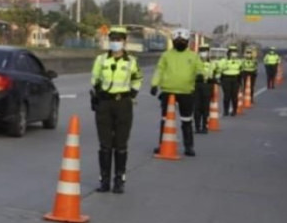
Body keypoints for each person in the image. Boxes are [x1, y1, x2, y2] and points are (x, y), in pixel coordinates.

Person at [90, 26, 142, 193]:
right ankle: (104, 180)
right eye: (112, 39)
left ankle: (119, 180)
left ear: (124, 41)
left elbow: (137, 78)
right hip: (104, 103)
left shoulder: (131, 61)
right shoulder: (101, 60)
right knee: (104, 144)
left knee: (121, 144)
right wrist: (98, 92)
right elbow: (95, 78)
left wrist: (132, 93)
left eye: (118, 39)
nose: (115, 43)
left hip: (123, 104)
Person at [150, 28, 203, 156]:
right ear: (173, 41)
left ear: (187, 41)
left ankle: (188, 146)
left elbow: (199, 68)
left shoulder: (193, 56)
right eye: (177, 40)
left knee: (186, 120)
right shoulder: (166, 55)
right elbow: (159, 70)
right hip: (168, 91)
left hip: (186, 92)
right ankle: (162, 144)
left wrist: (201, 75)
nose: (180, 42)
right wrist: (154, 84)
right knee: (165, 120)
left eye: (183, 40)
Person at [194, 42, 214, 134]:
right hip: (196, 86)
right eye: (202, 51)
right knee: (196, 108)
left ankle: (205, 126)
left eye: (205, 51)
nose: (203, 53)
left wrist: (214, 79)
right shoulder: (194, 62)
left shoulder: (212, 64)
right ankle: (197, 126)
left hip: (207, 86)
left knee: (205, 108)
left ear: (208, 52)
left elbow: (215, 74)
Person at [218, 44, 242, 116]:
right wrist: (218, 79)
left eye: (235, 52)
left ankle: (234, 110)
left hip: (236, 79)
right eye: (232, 51)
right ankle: (226, 111)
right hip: (226, 79)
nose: (234, 53)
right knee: (227, 96)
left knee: (234, 96)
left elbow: (241, 71)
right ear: (228, 52)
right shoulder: (223, 61)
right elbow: (219, 69)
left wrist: (241, 81)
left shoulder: (239, 61)